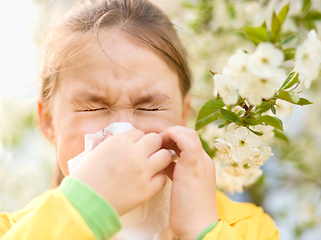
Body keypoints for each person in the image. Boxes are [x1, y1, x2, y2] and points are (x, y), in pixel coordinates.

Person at [0, 0, 279, 239]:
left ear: (183, 116)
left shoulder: (247, 228)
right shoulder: (13, 230)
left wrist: (202, 230)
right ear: (48, 122)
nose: (122, 134)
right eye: (92, 108)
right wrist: (82, 209)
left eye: (150, 108)